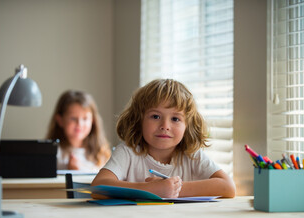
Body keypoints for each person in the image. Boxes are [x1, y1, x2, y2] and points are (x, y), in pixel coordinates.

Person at [91, 79, 236, 198]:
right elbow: (98, 187)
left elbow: (228, 187)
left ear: (187, 126)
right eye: (155, 116)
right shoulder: (128, 152)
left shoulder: (192, 155)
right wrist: (149, 190)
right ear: (138, 120)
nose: (165, 126)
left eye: (175, 119)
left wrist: (173, 189)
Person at [46, 90, 111, 172]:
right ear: (60, 120)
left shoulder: (101, 153)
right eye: (73, 118)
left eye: (85, 118)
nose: (79, 124)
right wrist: (70, 172)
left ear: (93, 121)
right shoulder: (53, 153)